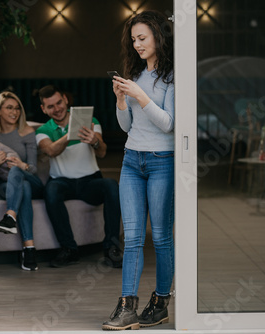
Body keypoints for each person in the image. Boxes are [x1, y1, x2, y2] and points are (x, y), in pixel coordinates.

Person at [102, 10, 175, 330]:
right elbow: (126, 125)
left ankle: (160, 303)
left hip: (163, 161)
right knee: (132, 237)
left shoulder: (173, 77)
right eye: (133, 40)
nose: (137, 45)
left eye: (142, 38)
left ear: (159, 37)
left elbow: (170, 125)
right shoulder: (135, 75)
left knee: (160, 237)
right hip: (132, 160)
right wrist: (121, 100)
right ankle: (127, 306)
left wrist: (141, 96)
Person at [36, 85, 122, 268]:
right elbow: (51, 151)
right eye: (50, 106)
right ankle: (69, 250)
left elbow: (102, 152)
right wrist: (71, 133)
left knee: (111, 185)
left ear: (65, 100)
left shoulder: (90, 120)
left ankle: (112, 248)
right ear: (43, 109)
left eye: (59, 102)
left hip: (89, 181)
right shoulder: (43, 130)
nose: (57, 108)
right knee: (51, 190)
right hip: (61, 182)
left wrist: (95, 141)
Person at [0, 91, 44, 271]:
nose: (15, 112)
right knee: (22, 187)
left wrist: (21, 165)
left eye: (17, 108)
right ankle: (29, 249)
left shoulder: (26, 132)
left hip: (31, 179)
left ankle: (10, 217)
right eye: (9, 108)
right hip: (6, 186)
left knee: (23, 178)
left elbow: (34, 168)